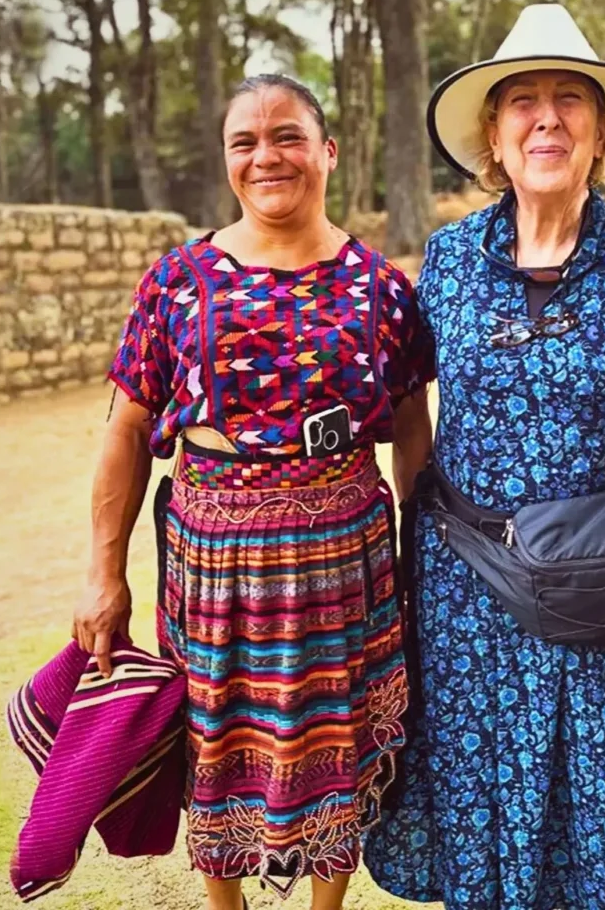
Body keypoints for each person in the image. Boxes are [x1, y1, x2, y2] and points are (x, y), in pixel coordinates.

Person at [71, 74, 435, 910]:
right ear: (227, 160)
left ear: (327, 152)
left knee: (335, 738)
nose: (267, 156)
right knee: (216, 741)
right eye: (246, 142)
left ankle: (326, 905)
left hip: (346, 563)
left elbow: (412, 427)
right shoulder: (177, 283)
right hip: (213, 567)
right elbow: (125, 431)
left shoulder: (380, 287)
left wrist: (419, 553)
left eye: (288, 137)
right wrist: (104, 574)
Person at [363, 4, 605, 910]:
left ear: (601, 133)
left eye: (570, 100)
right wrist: (414, 526)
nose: (547, 118)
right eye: (524, 103)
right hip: (466, 586)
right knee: (479, 790)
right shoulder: (451, 258)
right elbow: (406, 401)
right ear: (494, 139)